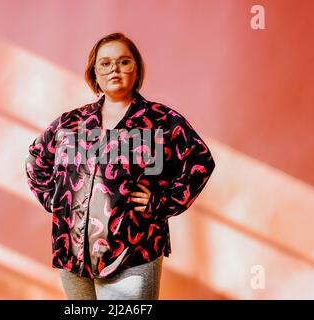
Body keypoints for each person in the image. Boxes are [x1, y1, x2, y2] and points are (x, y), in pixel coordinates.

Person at [25, 32, 216, 300]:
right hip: (73, 252)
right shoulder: (70, 123)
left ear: (136, 70)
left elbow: (200, 160)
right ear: (94, 73)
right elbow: (36, 159)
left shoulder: (160, 121)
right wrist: (56, 202)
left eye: (124, 61)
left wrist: (163, 202)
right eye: (105, 63)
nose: (114, 68)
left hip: (134, 252)